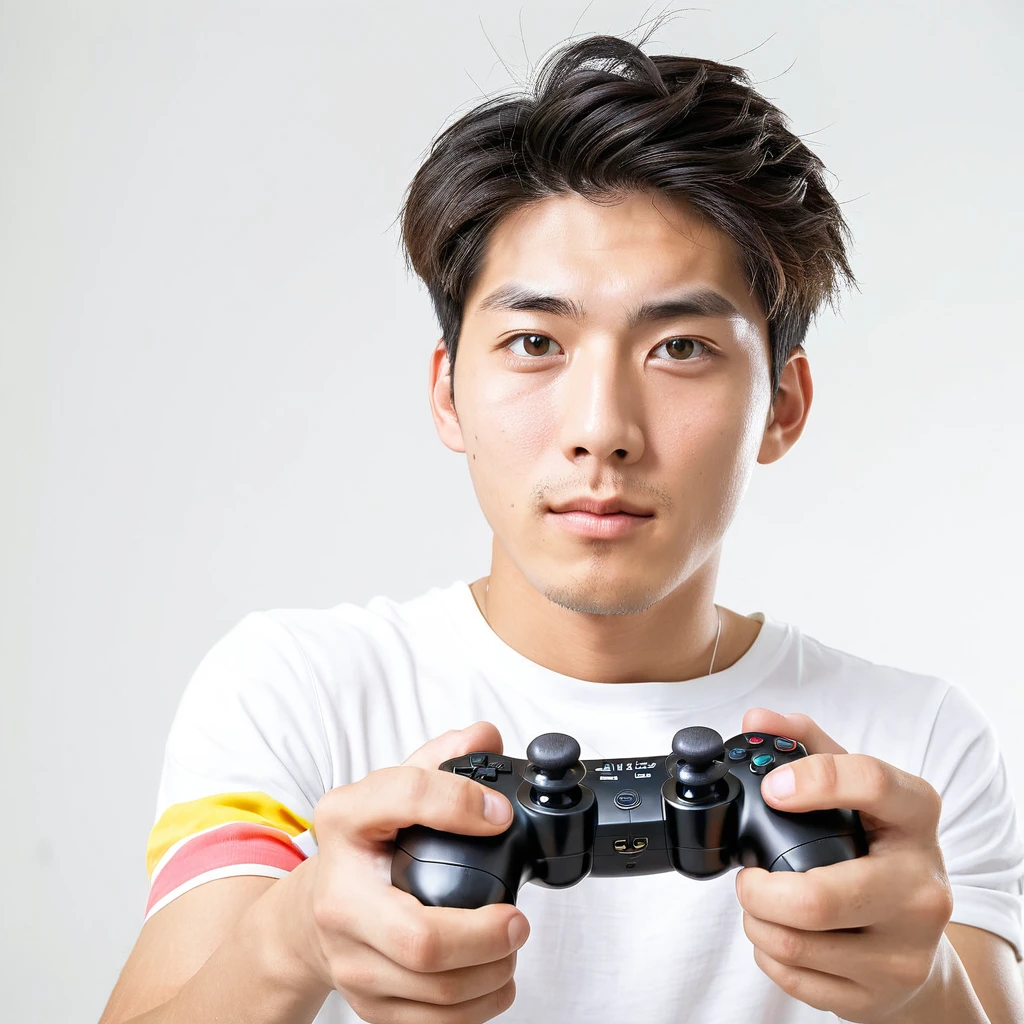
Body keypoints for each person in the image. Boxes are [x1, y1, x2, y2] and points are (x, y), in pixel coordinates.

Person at [98, 28, 1024, 1024]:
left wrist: (922, 994)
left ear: (783, 406)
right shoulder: (297, 690)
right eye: (536, 341)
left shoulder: (915, 745)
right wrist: (288, 938)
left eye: (679, 347)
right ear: (448, 392)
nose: (600, 430)